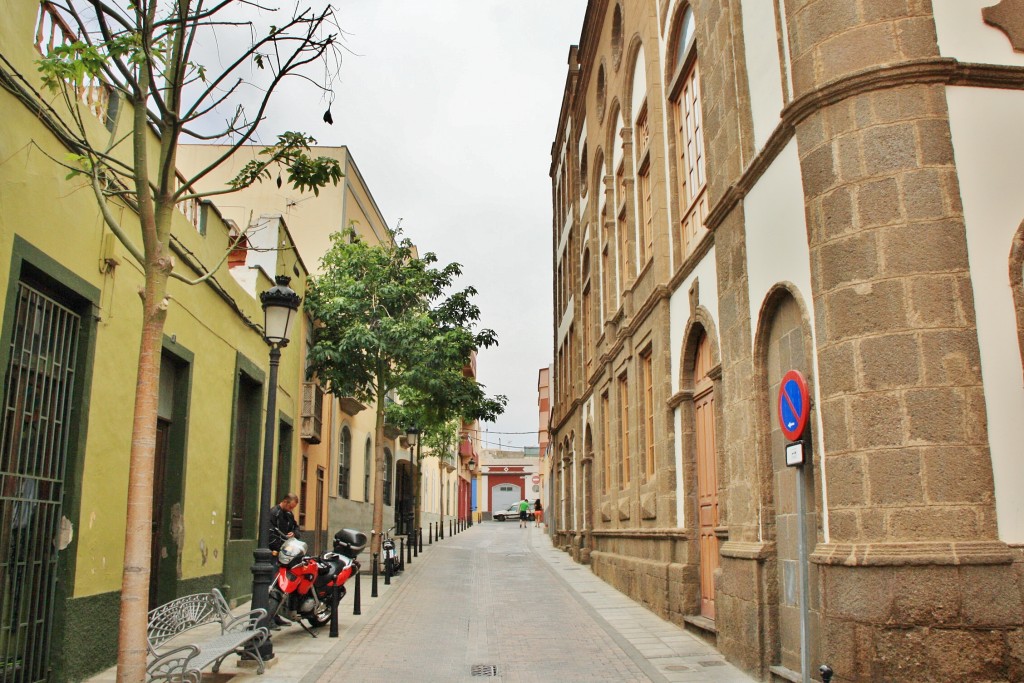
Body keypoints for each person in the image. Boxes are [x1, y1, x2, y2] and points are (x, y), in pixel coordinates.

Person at [268, 493, 300, 629]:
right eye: (291, 507)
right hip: (275, 554)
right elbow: (270, 535)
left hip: (286, 554)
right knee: (273, 585)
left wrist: (294, 534)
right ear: (285, 502)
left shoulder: (289, 515)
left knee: (282, 585)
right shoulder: (273, 514)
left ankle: (276, 615)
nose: (291, 510)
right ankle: (269, 618)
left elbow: (296, 528)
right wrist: (281, 547)